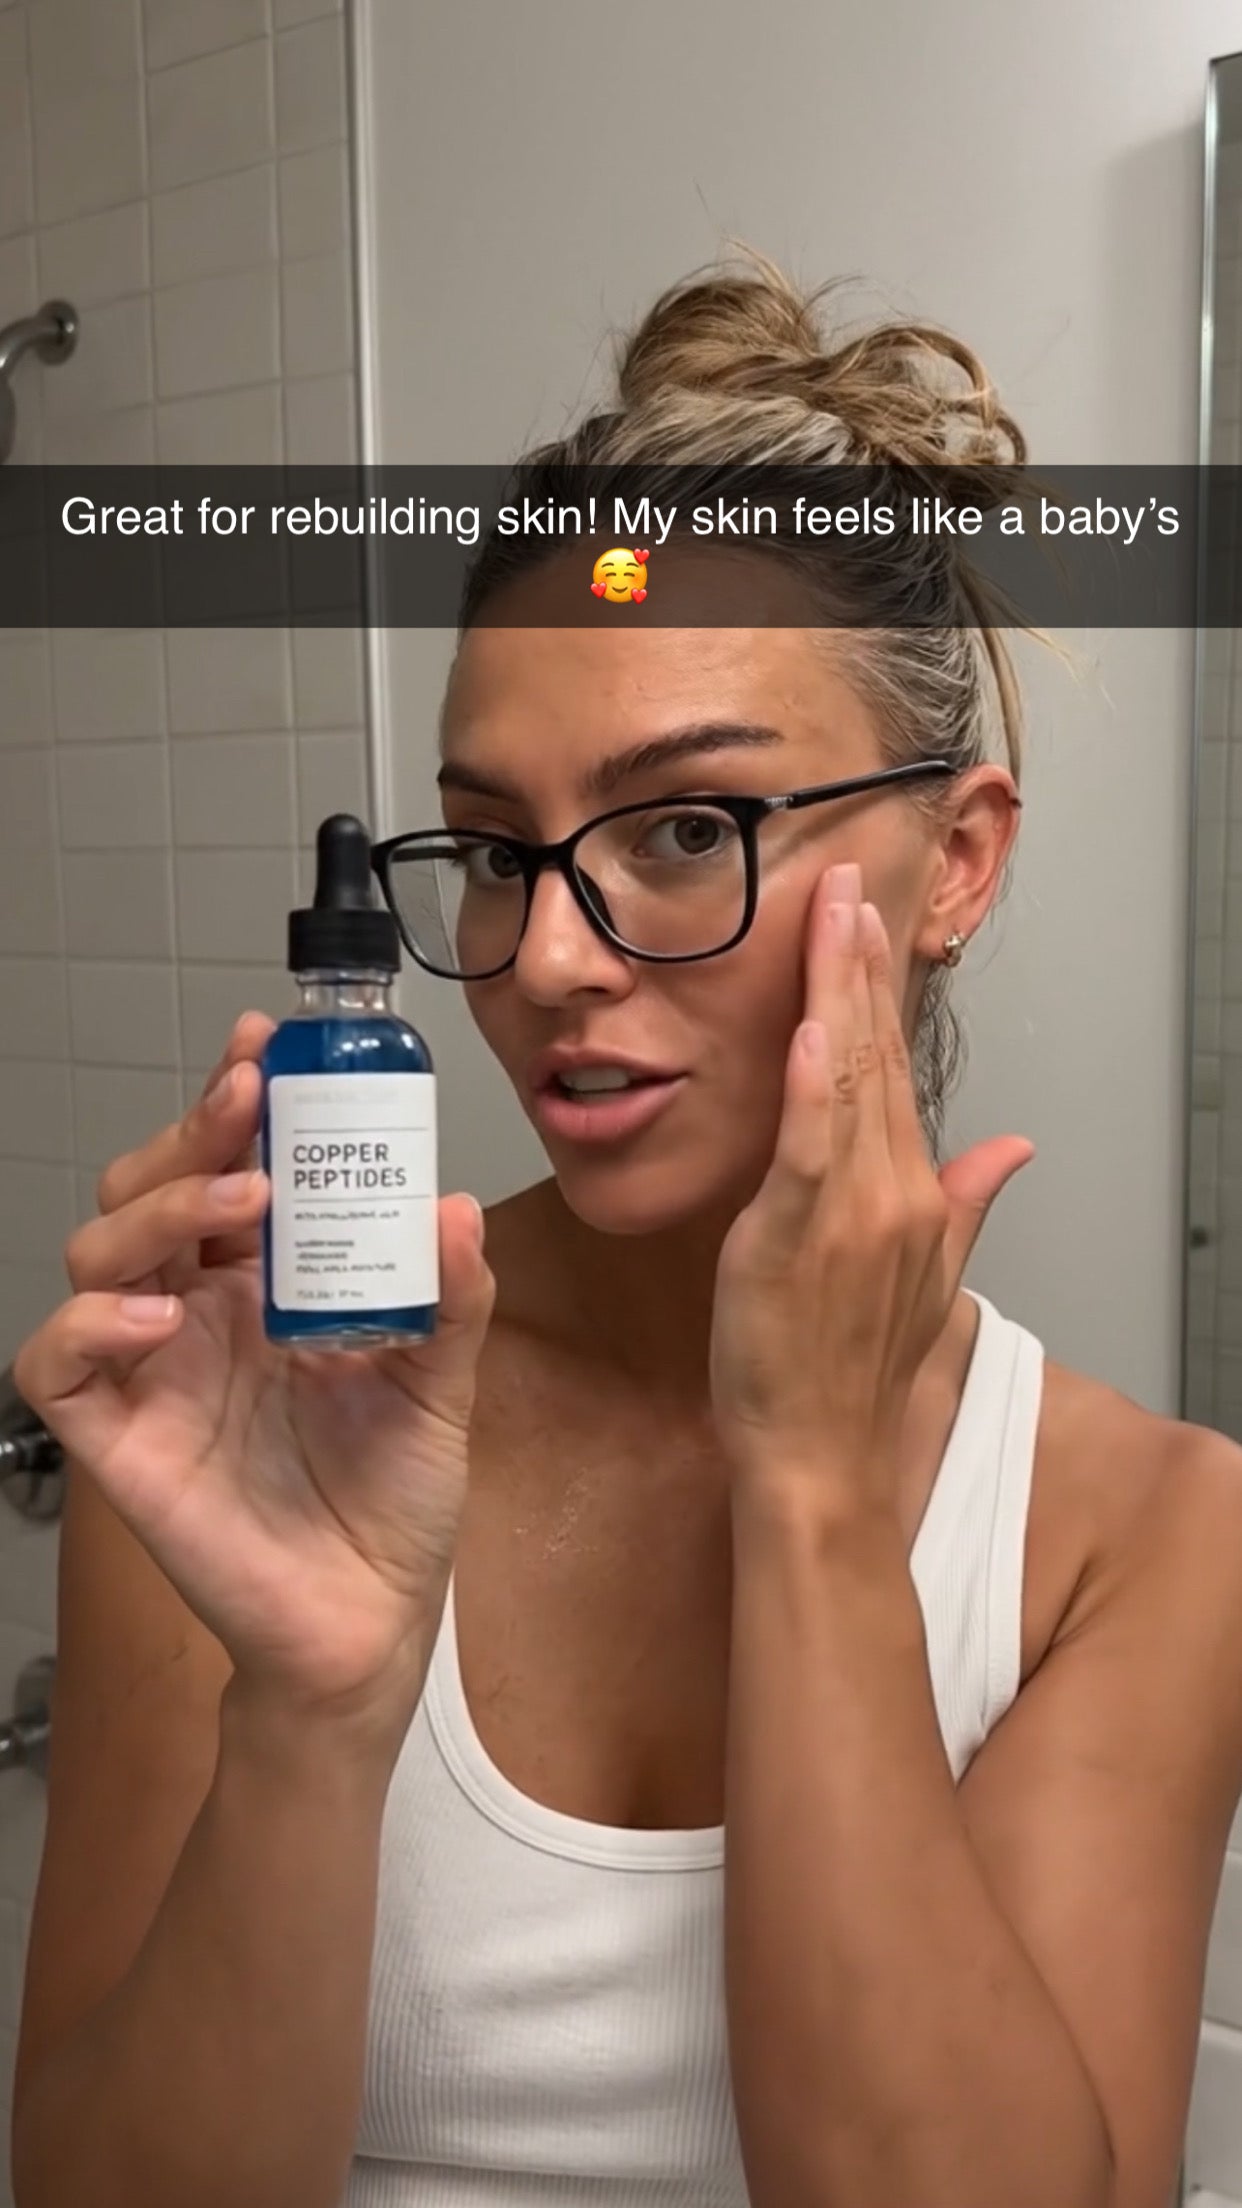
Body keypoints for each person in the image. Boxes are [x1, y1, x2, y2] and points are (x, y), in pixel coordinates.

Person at [10, 253, 1242, 2208]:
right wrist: (312, 1710)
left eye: (685, 830)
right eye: (499, 851)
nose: (545, 962)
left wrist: (815, 1498)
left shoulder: (1144, 1532)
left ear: (957, 859)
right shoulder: (268, 1420)